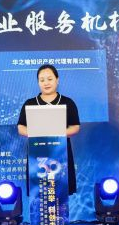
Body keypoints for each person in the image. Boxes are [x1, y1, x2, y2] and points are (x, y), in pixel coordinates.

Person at [17, 64, 80, 195]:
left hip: (61, 153)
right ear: (38, 82)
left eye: (50, 79)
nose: (46, 83)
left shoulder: (68, 102)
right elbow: (21, 127)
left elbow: (75, 127)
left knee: (61, 194)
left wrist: (56, 134)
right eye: (42, 80)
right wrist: (38, 134)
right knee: (39, 193)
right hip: (36, 155)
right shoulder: (30, 103)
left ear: (57, 80)